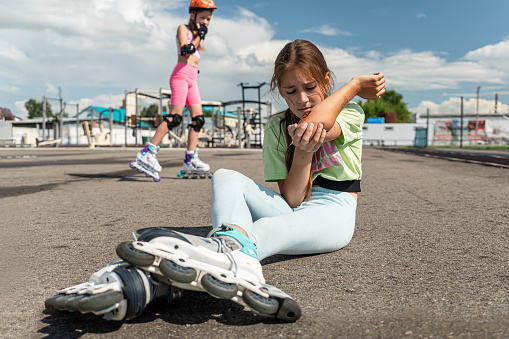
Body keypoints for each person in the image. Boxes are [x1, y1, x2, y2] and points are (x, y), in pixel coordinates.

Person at [45, 39, 385, 322]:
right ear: (279, 91)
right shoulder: (277, 127)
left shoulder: (350, 112)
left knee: (262, 232)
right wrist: (303, 153)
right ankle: (215, 260)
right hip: (295, 207)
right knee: (225, 176)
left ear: (327, 81)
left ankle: (155, 278)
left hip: (333, 213)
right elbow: (293, 200)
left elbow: (322, 124)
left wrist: (353, 86)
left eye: (310, 88)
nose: (301, 100)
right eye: (290, 91)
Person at [131, 0, 216, 181]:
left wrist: (200, 34)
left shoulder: (197, 34)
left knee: (198, 120)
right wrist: (200, 35)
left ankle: (190, 159)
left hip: (192, 78)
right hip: (180, 76)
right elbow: (186, 51)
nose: (206, 22)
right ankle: (147, 152)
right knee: (175, 117)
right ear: (192, 15)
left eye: (208, 19)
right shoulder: (183, 29)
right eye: (203, 18)